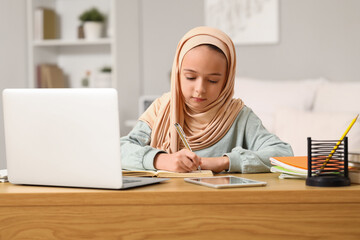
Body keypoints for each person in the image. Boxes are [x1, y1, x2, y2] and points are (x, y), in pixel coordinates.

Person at [120, 26, 293, 173]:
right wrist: (161, 160)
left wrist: (223, 162)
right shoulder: (162, 108)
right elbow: (119, 150)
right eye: (190, 77)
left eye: (213, 81)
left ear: (226, 81)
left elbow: (283, 153)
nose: (200, 89)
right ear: (177, 73)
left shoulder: (239, 116)